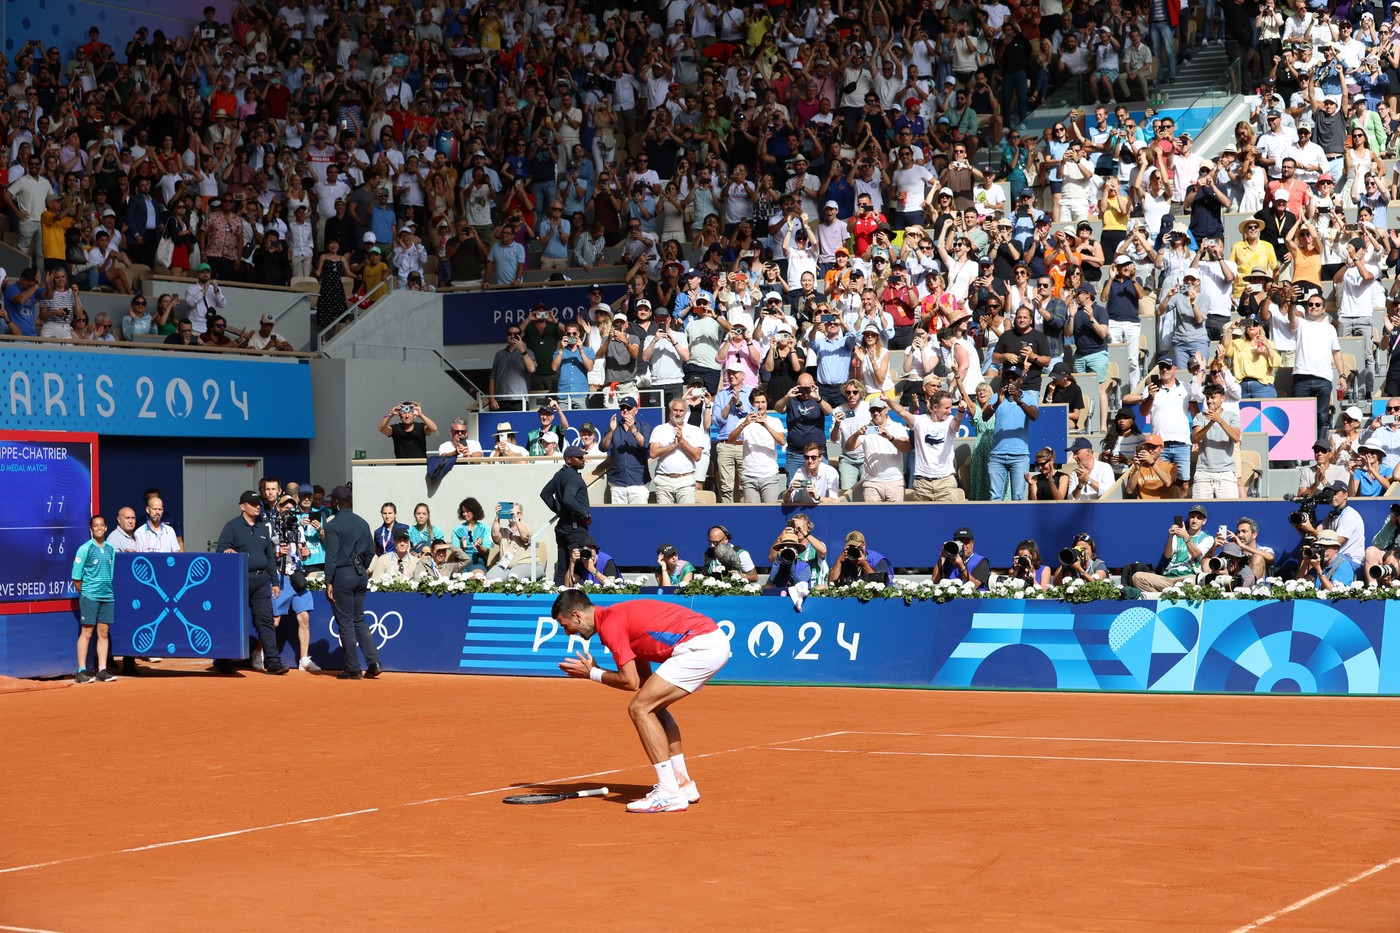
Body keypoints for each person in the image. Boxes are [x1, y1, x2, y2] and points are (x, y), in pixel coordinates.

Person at [553, 590, 730, 813]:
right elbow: (642, 681)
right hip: (710, 642)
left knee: (640, 708)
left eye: (564, 624)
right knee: (653, 705)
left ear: (577, 615)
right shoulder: (617, 617)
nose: (567, 632)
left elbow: (629, 681)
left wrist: (592, 673)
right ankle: (683, 785)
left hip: (700, 646)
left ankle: (669, 792)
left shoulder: (610, 625)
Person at [215, 491, 289, 675]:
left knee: (266, 620)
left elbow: (270, 556)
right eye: (252, 503)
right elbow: (221, 549)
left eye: (258, 503)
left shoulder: (263, 527)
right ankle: (223, 659)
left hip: (262, 580)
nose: (257, 506)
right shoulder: (232, 527)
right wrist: (227, 551)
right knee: (232, 619)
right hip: (239, 580)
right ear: (242, 506)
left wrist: (275, 581)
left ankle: (273, 662)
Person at [323, 485, 380, 679]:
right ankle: (374, 662)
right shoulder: (362, 523)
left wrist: (328, 581)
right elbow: (371, 551)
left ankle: (353, 668)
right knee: (359, 619)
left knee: (346, 622)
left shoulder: (332, 525)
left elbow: (330, 556)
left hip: (342, 574)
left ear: (337, 503)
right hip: (359, 574)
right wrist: (362, 567)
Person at [890, 385, 964, 502]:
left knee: (948, 519)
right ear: (935, 407)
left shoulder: (950, 420)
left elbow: (958, 420)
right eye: (947, 408)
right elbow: (902, 413)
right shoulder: (921, 420)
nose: (950, 411)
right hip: (922, 484)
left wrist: (960, 410)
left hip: (946, 483)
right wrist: (888, 400)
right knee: (922, 520)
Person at [270, 494, 318, 673]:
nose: (288, 511)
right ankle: (260, 652)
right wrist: (276, 554)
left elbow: (303, 554)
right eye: (285, 507)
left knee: (304, 617)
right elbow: (267, 555)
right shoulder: (271, 528)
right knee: (274, 621)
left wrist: (305, 553)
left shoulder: (298, 529)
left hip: (296, 577)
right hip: (279, 578)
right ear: (279, 508)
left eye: (291, 508)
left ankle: (304, 659)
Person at [71, 514, 116, 683]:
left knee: (103, 633)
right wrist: (86, 594)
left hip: (107, 596)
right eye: (95, 526)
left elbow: (110, 574)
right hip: (90, 596)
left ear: (105, 528)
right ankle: (81, 671)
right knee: (87, 632)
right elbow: (76, 577)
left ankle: (102, 670)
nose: (98, 528)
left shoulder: (111, 549)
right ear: (91, 529)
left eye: (101, 525)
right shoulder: (85, 548)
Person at [982, 367, 1039, 501]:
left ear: (1021, 380)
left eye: (1014, 378)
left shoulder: (1029, 398)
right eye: (1007, 377)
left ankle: (1016, 522)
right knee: (995, 497)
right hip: (997, 455)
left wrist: (1018, 400)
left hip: (1019, 455)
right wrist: (997, 403)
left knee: (1018, 497)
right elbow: (984, 417)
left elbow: (1035, 415)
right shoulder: (997, 397)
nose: (1010, 380)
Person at [1131, 506, 1214, 595]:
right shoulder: (1177, 536)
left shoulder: (1207, 538)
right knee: (1137, 577)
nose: (1194, 520)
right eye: (1192, 517)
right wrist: (1171, 536)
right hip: (1169, 578)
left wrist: (1186, 537)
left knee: (1195, 582)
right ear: (1188, 518)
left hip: (1189, 577)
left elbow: (1196, 553)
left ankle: (1169, 595)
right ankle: (1162, 597)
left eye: (1199, 518)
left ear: (1204, 521)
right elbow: (1167, 555)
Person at [541, 446, 593, 584]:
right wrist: (585, 514)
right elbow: (568, 499)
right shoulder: (574, 477)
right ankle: (575, 601)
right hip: (575, 529)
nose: (583, 460)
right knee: (578, 567)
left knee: (562, 568)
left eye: (583, 457)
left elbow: (545, 494)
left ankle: (558, 600)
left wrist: (560, 511)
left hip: (562, 527)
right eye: (579, 457)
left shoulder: (559, 475)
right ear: (568, 460)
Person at [843, 396, 910, 502]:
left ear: (886, 410)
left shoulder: (897, 427)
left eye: (879, 409)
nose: (876, 413)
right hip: (872, 482)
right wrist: (856, 434)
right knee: (872, 518)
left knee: (896, 517)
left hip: (895, 482)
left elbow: (906, 448)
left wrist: (890, 438)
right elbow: (848, 448)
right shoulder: (866, 429)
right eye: (873, 410)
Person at [729, 387, 787, 503]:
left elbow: (782, 441)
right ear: (752, 403)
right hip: (749, 475)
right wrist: (745, 423)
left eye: (763, 402)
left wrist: (766, 426)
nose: (760, 406)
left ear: (767, 403)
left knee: (770, 512)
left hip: (769, 475)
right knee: (752, 514)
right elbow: (730, 440)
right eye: (757, 402)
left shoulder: (775, 421)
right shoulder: (744, 422)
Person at [1295, 480, 1366, 572]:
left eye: (1335, 493)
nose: (1332, 496)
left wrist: (1311, 530)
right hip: (1334, 557)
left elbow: (1335, 543)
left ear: (1345, 495)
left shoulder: (1350, 515)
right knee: (1308, 555)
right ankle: (1299, 584)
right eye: (1330, 493)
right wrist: (1298, 525)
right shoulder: (1331, 516)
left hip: (1352, 561)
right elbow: (1315, 537)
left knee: (1318, 558)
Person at [649, 397, 708, 503]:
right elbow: (653, 453)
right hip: (664, 480)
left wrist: (682, 441)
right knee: (665, 516)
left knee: (687, 516)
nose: (678, 413)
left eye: (681, 411)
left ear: (685, 412)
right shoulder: (659, 429)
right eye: (675, 410)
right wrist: (673, 445)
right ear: (670, 411)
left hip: (685, 480)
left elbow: (697, 456)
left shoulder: (695, 430)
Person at [1191, 383, 1241, 499]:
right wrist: (1211, 422)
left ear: (1222, 398)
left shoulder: (1232, 416)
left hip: (1226, 473)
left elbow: (1235, 438)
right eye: (1207, 397)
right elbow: (1195, 438)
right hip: (1203, 473)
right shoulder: (1199, 417)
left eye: (1213, 397)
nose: (1209, 401)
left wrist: (1219, 420)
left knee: (1229, 512)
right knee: (1199, 511)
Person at [604, 398, 652, 504]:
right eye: (622, 408)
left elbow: (645, 445)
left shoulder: (644, 426)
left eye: (628, 408)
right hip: (618, 483)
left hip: (638, 482)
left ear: (636, 410)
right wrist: (611, 431)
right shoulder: (614, 426)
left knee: (640, 517)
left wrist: (633, 429)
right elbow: (604, 447)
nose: (625, 410)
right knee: (619, 518)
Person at [485, 503, 546, 582]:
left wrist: (517, 519)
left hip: (529, 565)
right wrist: (497, 516)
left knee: (514, 575)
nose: (511, 515)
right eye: (510, 513)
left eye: (513, 513)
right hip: (506, 566)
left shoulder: (527, 528)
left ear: (520, 514)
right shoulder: (503, 531)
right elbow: (495, 535)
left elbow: (525, 536)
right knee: (490, 577)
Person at [488, 325, 536, 410]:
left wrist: (522, 349)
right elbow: (492, 379)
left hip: (520, 399)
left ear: (520, 336)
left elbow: (532, 369)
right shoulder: (499, 354)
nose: (513, 336)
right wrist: (492, 399)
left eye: (516, 334)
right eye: (510, 334)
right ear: (506, 336)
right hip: (500, 400)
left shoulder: (528, 352)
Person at [827, 531, 891, 587]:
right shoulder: (845, 559)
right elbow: (831, 584)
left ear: (864, 545)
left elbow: (880, 585)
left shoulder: (877, 560)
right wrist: (838, 562)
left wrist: (865, 565)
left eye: (856, 547)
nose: (853, 550)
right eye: (850, 547)